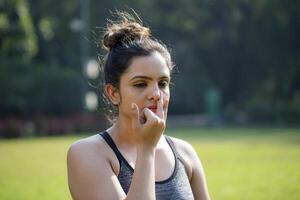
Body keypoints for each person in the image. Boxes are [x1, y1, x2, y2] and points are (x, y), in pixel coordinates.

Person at [67, 11, 210, 200]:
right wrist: (146, 150)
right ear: (113, 93)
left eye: (163, 83)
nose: (156, 94)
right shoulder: (87, 153)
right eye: (141, 84)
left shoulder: (184, 153)